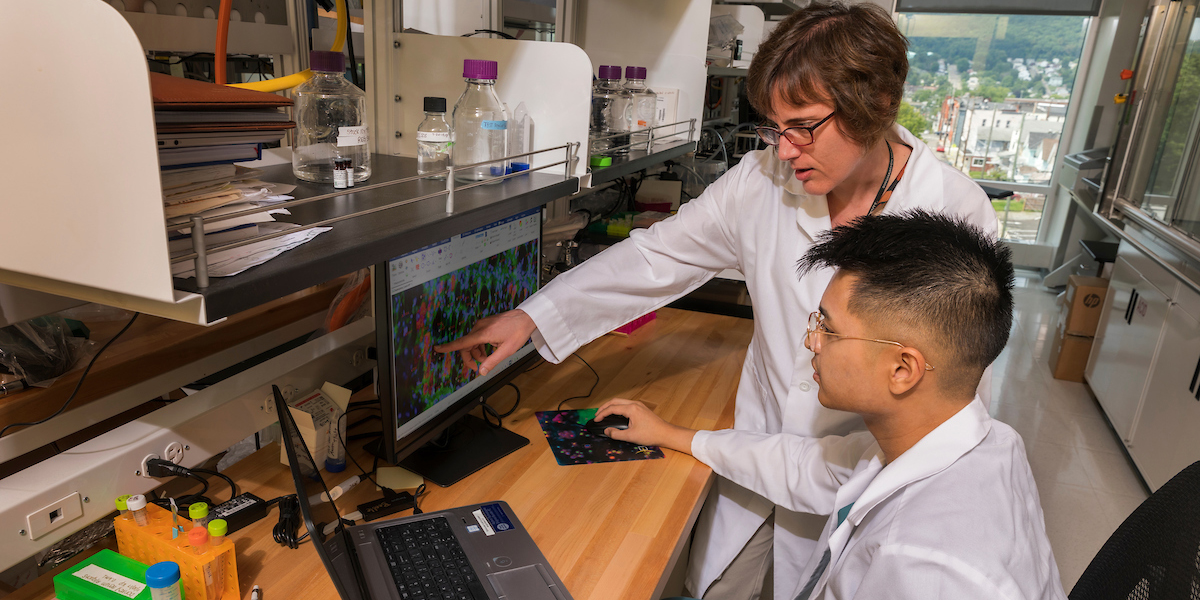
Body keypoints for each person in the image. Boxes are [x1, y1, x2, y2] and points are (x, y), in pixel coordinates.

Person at [436, 2, 998, 597]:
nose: (784, 150)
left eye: (803, 126)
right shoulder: (763, 181)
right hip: (757, 450)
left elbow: (948, 412)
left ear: (878, 106)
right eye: (773, 127)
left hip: (869, 486)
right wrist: (532, 317)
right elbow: (658, 255)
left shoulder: (955, 217)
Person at [596, 211, 1065, 600]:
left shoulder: (925, 570)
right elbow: (804, 465)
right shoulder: (982, 441)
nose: (811, 342)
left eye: (829, 329)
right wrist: (670, 435)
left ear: (904, 369)